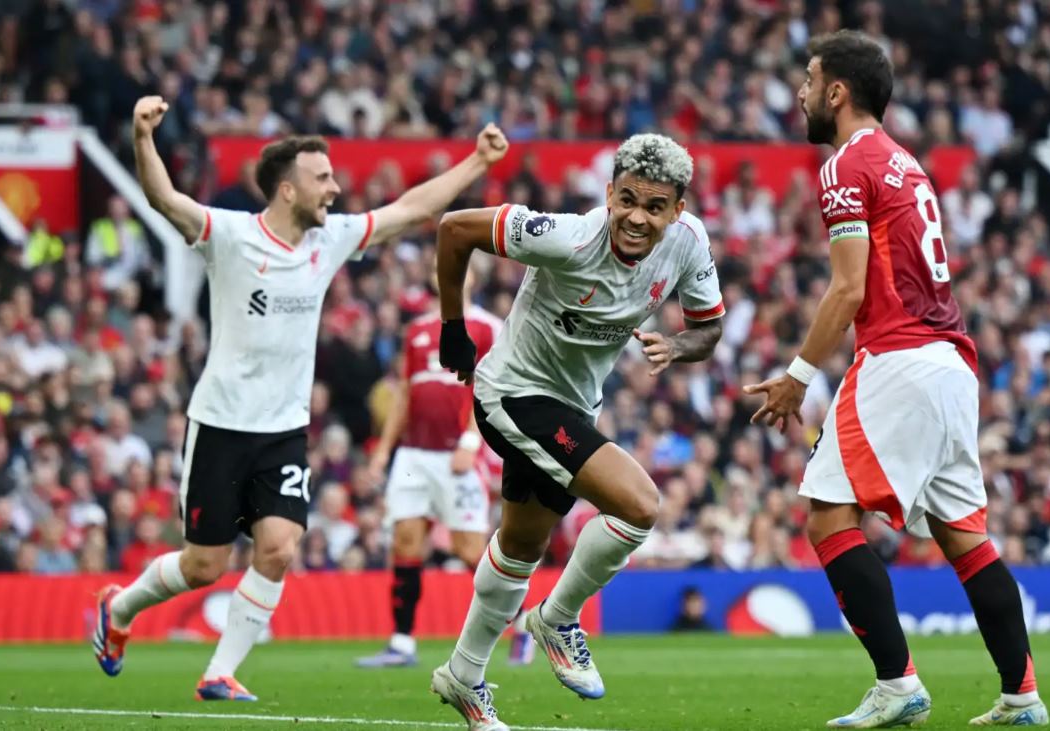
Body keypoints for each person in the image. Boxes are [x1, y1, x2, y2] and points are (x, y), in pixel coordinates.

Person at [91, 94, 508, 701]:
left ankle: (220, 671)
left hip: (284, 429)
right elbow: (164, 200)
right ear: (287, 190)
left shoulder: (330, 239)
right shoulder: (228, 235)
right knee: (203, 565)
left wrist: (475, 161)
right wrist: (141, 137)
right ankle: (119, 608)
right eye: (322, 178)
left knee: (280, 548)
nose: (335, 188)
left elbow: (411, 209)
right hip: (220, 423)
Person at [743, 31, 1049, 728]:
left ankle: (896, 683)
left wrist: (795, 376)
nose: (800, 92)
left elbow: (847, 288)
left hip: (898, 355)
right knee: (963, 535)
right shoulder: (906, 163)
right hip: (950, 364)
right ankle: (1021, 694)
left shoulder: (845, 164)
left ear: (837, 92)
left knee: (825, 514)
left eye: (810, 78)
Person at [430, 133, 725, 731]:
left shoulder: (689, 247)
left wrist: (676, 344)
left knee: (520, 547)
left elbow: (709, 328)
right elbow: (454, 228)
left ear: (679, 211)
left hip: (572, 407)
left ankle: (464, 675)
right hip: (513, 394)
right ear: (609, 194)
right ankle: (559, 616)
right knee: (639, 504)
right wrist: (453, 329)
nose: (637, 218)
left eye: (655, 206)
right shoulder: (566, 236)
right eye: (627, 200)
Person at [355, 269, 501, 669]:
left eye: (464, 265)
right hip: (413, 456)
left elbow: (493, 388)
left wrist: (472, 442)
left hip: (458, 454)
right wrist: (384, 451)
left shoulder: (488, 328)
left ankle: (522, 623)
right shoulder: (417, 329)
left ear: (474, 277)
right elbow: (405, 393)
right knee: (405, 542)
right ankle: (401, 643)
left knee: (468, 548)